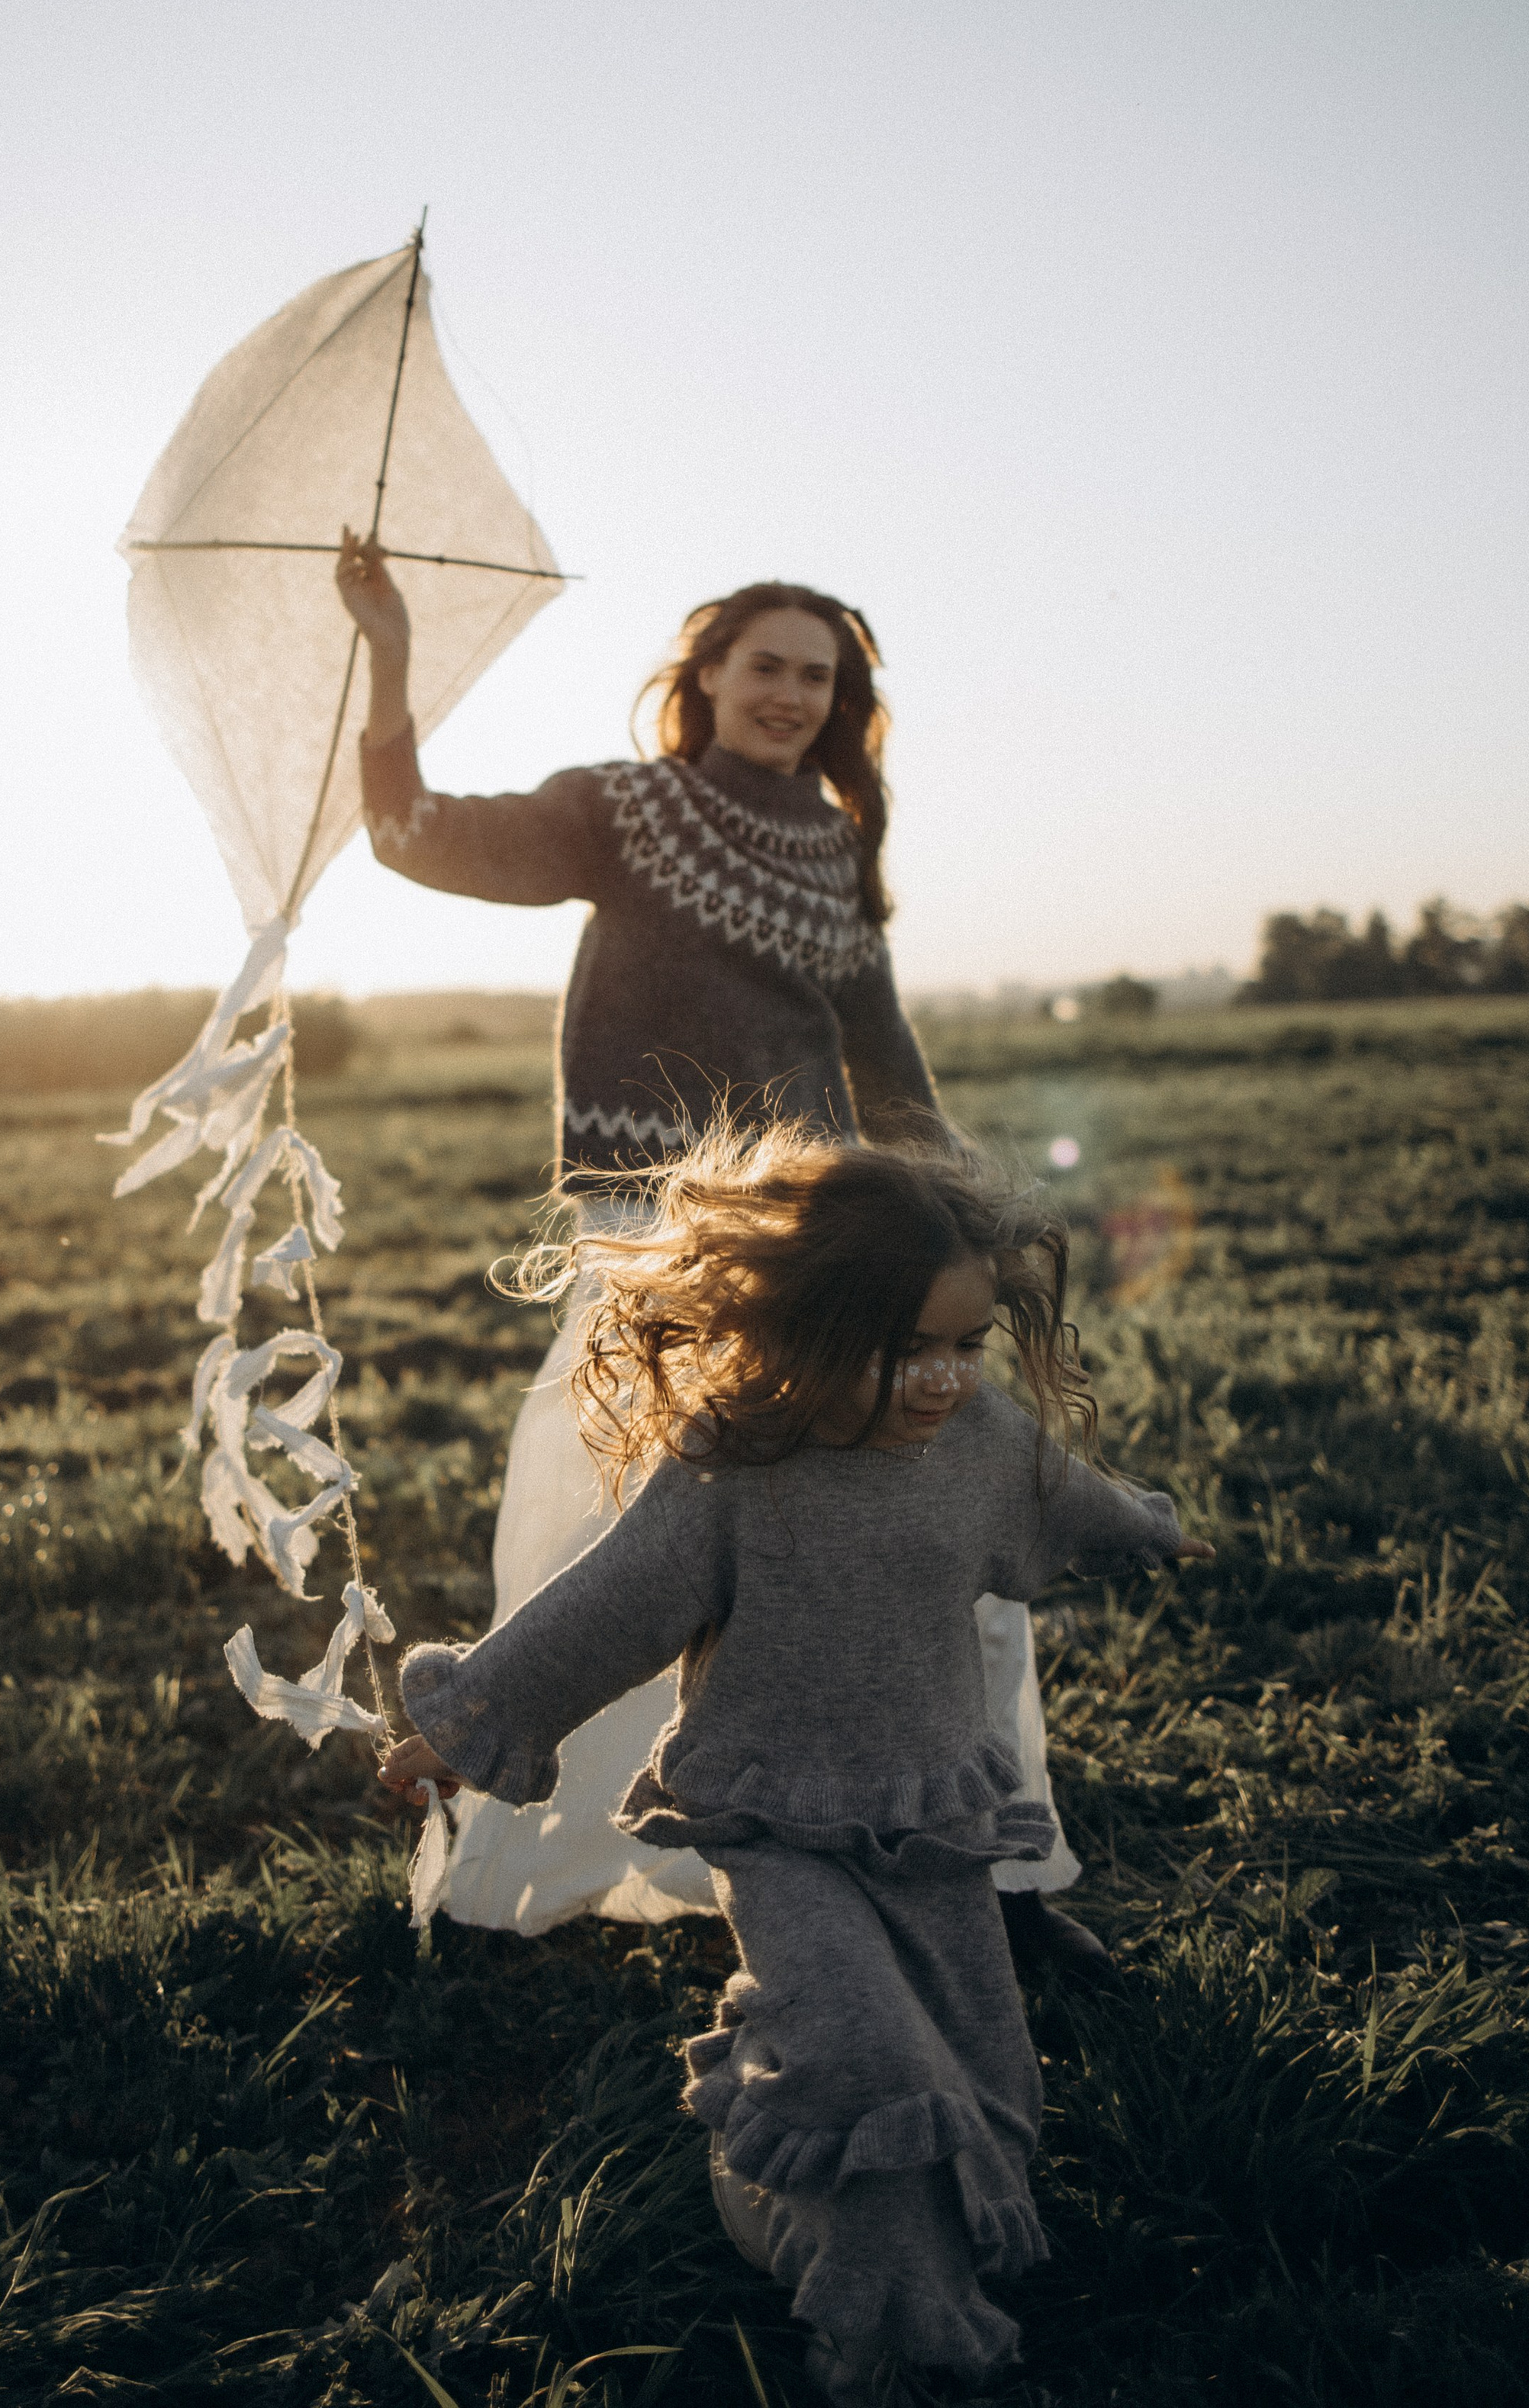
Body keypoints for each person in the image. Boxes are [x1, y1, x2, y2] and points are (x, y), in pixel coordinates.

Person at [334, 533, 1101, 1968]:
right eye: (769, 666)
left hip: (821, 1240)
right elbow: (415, 835)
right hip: (653, 1237)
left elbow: (881, 1060)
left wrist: (966, 1220)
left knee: (933, 1521)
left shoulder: (833, 844)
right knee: (611, 1541)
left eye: (821, 675)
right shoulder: (623, 810)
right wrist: (388, 655)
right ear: (707, 676)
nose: (794, 694)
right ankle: (540, 1872)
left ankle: (993, 1877)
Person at [379, 1124, 1213, 2400]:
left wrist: (1148, 1530)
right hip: (775, 1830)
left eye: (966, 1345)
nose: (943, 1377)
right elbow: (599, 1608)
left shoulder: (977, 1439)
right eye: (907, 1350)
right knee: (864, 2053)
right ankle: (885, 2335)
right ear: (808, 1331)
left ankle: (777, 2192)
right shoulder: (730, 1469)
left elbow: (1062, 1494)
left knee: (980, 2084)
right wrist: (464, 1723)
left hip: (937, 1819)